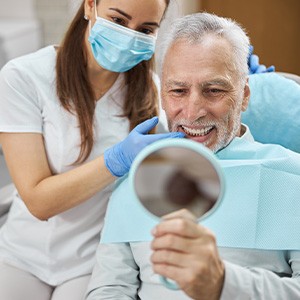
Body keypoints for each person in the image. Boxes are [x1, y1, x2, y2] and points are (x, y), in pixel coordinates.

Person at [85, 13, 300, 300]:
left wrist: (223, 284)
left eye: (213, 90)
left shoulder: (292, 178)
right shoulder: (135, 179)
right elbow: (109, 288)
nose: (193, 111)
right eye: (178, 91)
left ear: (244, 95)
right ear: (162, 95)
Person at [0, 0, 188, 299]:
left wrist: (238, 83)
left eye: (146, 29)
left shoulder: (151, 93)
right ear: (90, 6)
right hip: (22, 253)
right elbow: (38, 202)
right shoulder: (24, 77)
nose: (129, 35)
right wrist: (114, 162)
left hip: (92, 258)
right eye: (118, 20)